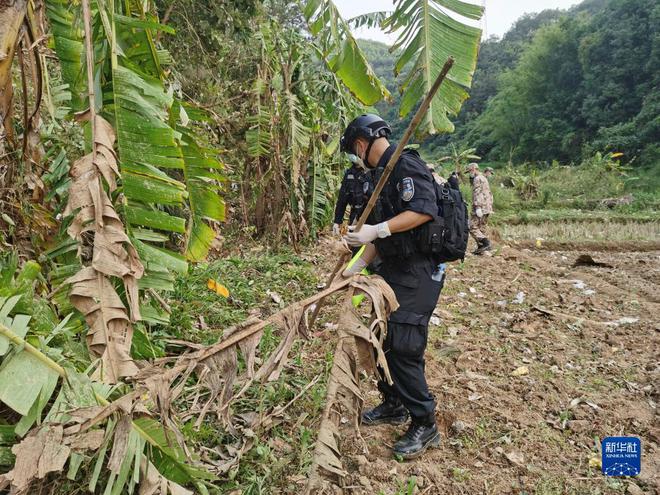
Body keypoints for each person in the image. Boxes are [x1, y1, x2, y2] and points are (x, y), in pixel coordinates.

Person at [340, 114, 444, 460]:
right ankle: (394, 402)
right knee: (382, 335)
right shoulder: (379, 178)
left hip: (420, 271)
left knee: (404, 343)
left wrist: (378, 229)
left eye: (353, 153)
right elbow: (373, 243)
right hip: (394, 268)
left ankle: (425, 423)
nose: (355, 160)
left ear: (359, 144)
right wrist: (350, 271)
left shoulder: (403, 164)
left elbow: (423, 210)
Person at [332, 163, 368, 236]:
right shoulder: (349, 173)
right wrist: (337, 221)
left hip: (369, 214)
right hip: (355, 214)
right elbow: (342, 200)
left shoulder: (371, 172)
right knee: (353, 240)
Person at [467, 162, 493, 254]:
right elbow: (488, 193)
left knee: (472, 227)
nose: (469, 173)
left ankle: (486, 243)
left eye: (469, 171)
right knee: (481, 228)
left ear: (473, 169)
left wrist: (477, 207)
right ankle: (481, 248)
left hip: (480, 206)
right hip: (487, 206)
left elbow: (477, 193)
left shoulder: (477, 179)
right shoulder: (484, 178)